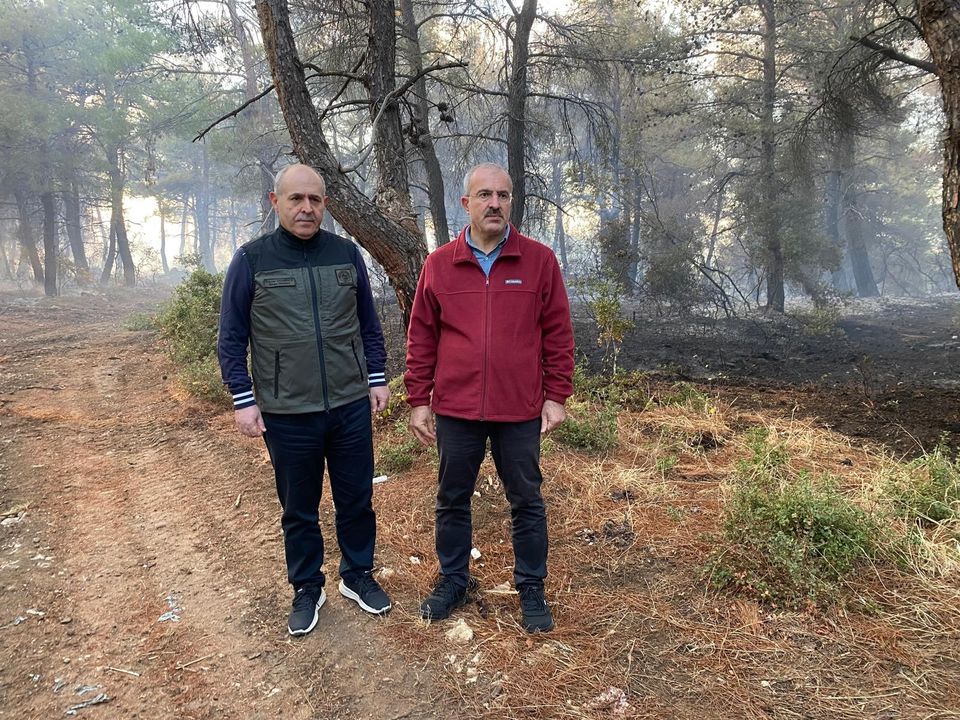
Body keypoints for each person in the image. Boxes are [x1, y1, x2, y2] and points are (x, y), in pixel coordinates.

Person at [218, 164, 392, 636]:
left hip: (350, 403)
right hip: (286, 410)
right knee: (299, 506)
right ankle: (306, 587)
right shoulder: (252, 260)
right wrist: (243, 399)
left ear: (325, 205)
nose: (306, 208)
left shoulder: (346, 254)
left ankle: (357, 574)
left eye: (315, 200)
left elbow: (368, 325)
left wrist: (376, 379)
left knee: (357, 497)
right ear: (276, 203)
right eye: (296, 199)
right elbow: (231, 337)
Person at [404, 162, 575, 633]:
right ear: (467, 204)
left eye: (502, 195)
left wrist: (556, 394)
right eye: (484, 195)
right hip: (457, 410)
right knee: (452, 498)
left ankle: (531, 588)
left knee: (527, 501)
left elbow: (558, 333)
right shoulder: (439, 263)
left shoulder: (539, 261)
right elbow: (422, 335)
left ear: (511, 202)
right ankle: (454, 580)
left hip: (518, 408)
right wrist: (419, 398)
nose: (494, 203)